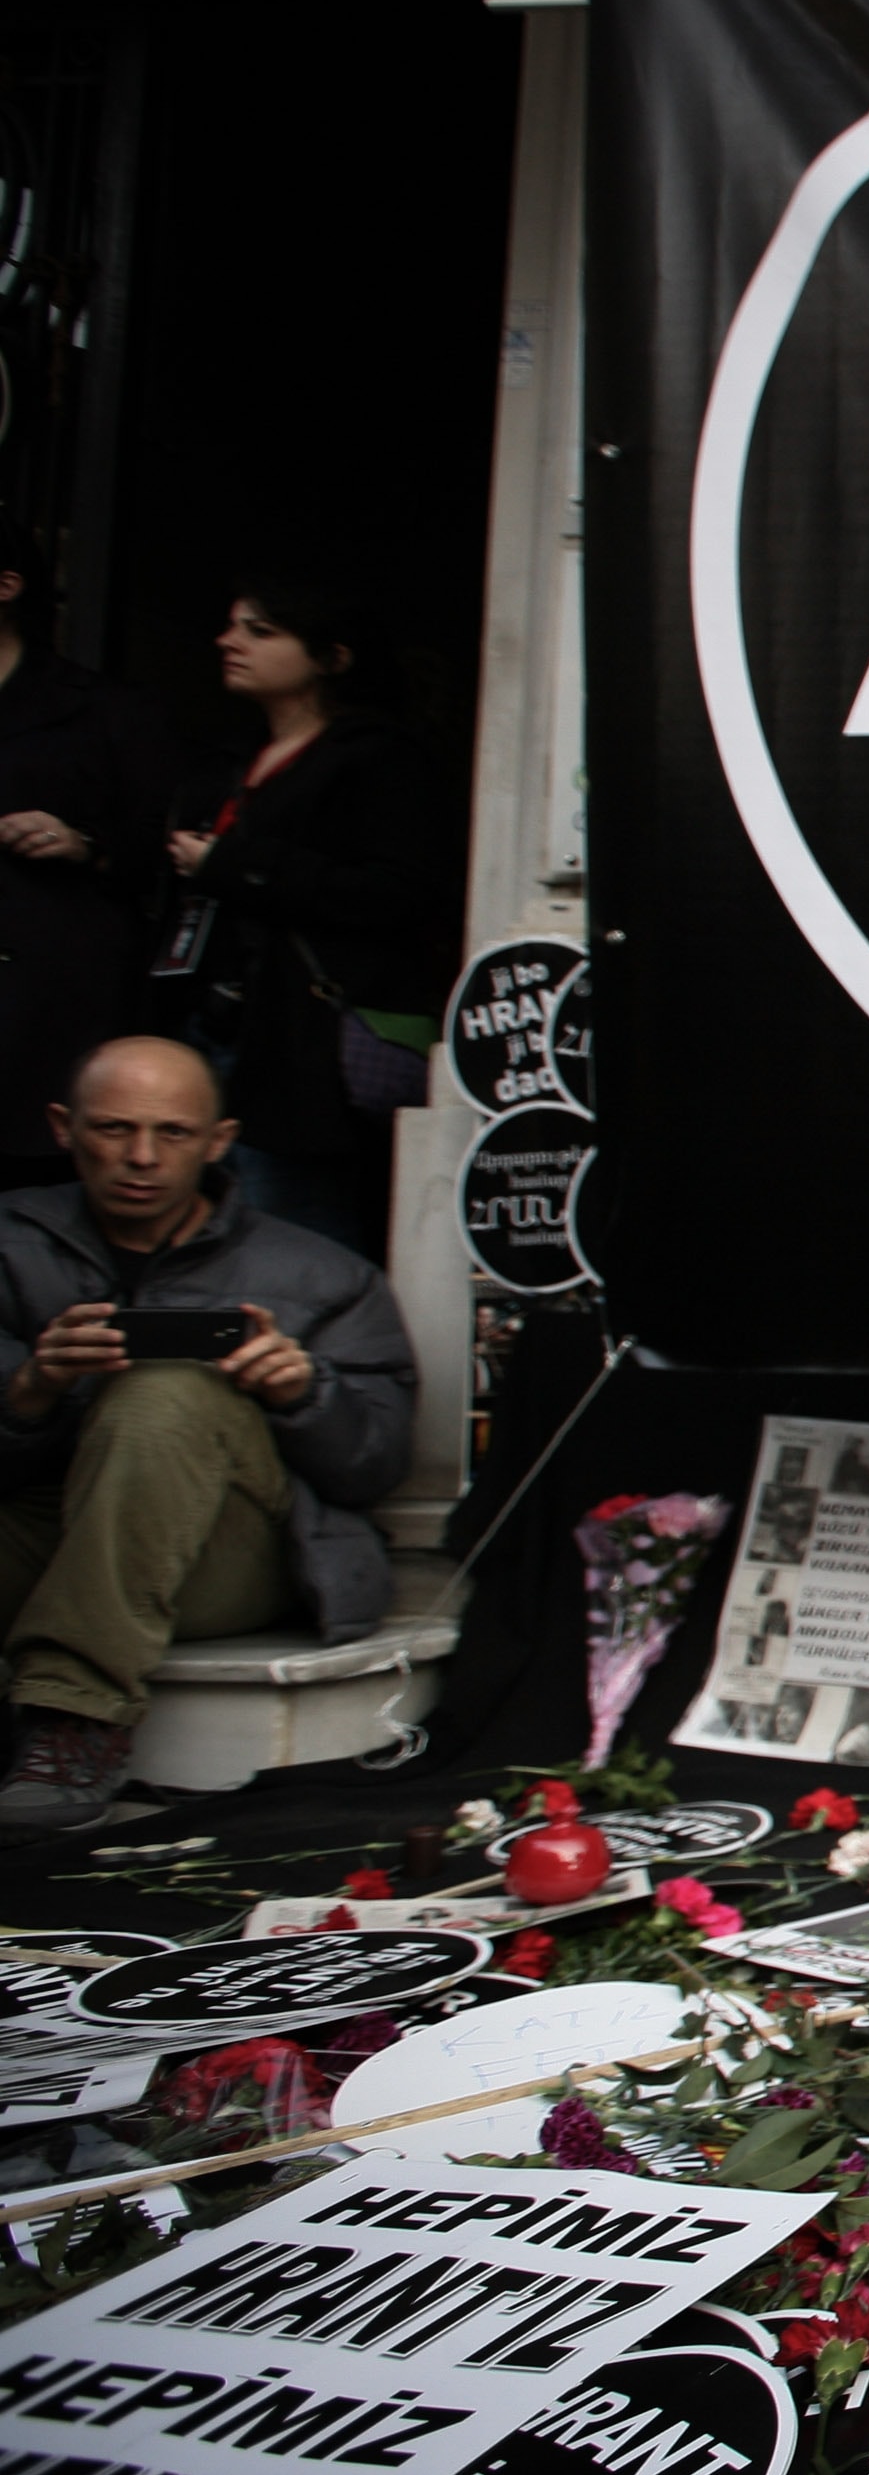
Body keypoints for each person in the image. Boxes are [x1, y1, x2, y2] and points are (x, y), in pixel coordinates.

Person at [0, 1035, 418, 1838]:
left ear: (220, 1141)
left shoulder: (322, 1275)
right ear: (63, 1127)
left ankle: (74, 1716)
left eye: (174, 1134)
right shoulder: (10, 1245)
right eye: (114, 1129)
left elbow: (377, 1466)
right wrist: (29, 1390)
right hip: (50, 1526)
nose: (142, 1158)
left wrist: (304, 1392)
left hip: (235, 1552)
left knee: (167, 1390)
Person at [159, 575, 457, 1258]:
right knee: (198, 1229)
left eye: (260, 631)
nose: (228, 642)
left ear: (332, 657)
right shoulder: (230, 759)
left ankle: (317, 1362)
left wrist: (234, 865)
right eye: (232, 626)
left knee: (290, 1228)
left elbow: (400, 892)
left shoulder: (378, 759)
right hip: (213, 1021)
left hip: (301, 1040)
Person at [0, 510, 169, 1185]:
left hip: (46, 1007)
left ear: (6, 585)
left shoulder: (103, 710)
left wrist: (85, 846)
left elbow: (164, 847)